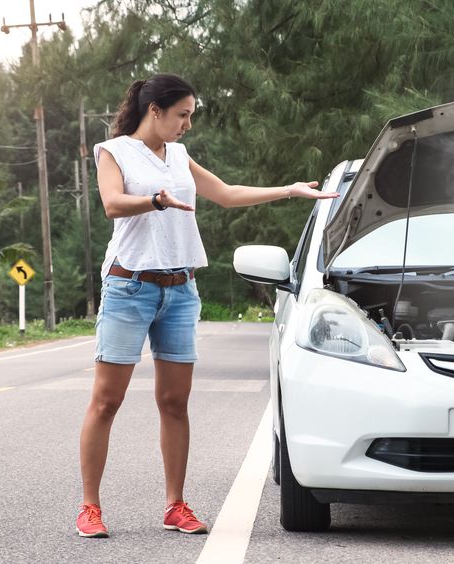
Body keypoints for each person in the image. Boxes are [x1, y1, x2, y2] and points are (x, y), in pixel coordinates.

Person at [76, 73, 338, 538]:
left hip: (180, 290)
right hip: (129, 288)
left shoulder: (178, 154)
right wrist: (155, 200)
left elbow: (225, 193)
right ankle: (90, 506)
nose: (187, 125)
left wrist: (288, 190)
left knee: (175, 403)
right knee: (106, 401)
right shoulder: (112, 151)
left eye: (191, 116)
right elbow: (113, 204)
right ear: (154, 110)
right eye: (182, 115)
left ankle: (175, 505)